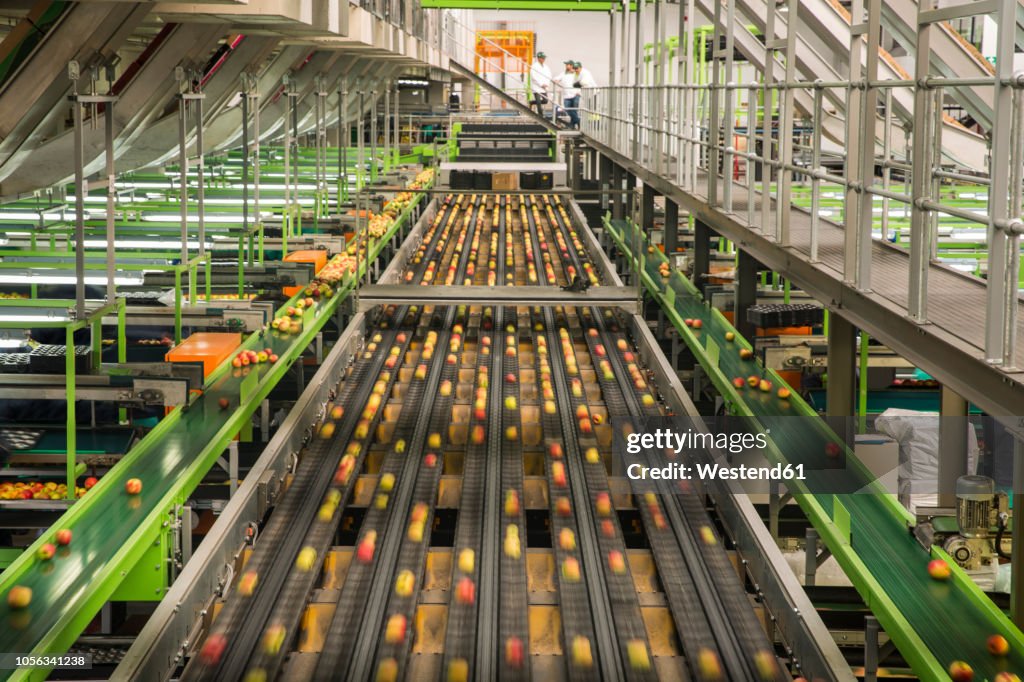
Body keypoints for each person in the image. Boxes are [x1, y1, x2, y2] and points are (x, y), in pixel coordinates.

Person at [556, 59, 580, 129]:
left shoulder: (576, 73)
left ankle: (572, 125)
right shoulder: (563, 73)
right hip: (566, 96)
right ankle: (578, 121)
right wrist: (556, 80)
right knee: (568, 110)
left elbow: (582, 82)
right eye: (566, 65)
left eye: (567, 65)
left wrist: (579, 92)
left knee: (574, 111)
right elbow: (556, 79)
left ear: (571, 66)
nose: (566, 66)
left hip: (575, 95)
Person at [529, 51, 552, 117]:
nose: (543, 59)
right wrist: (541, 84)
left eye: (544, 58)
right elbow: (534, 77)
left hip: (544, 87)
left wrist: (547, 84)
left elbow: (549, 76)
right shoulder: (534, 66)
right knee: (538, 102)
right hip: (536, 87)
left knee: (545, 101)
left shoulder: (546, 67)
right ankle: (540, 116)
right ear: (538, 58)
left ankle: (532, 102)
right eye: (542, 58)